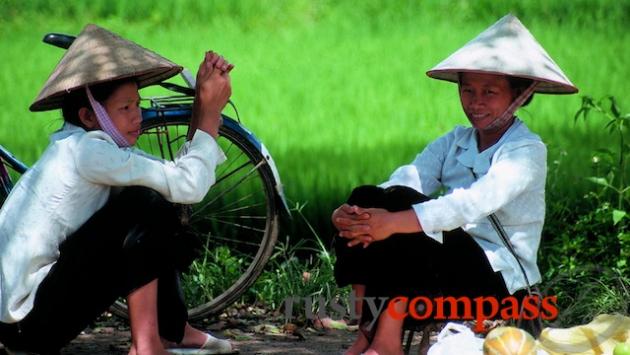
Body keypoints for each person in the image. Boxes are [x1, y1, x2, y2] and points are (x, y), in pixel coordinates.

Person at [332, 14, 578, 355]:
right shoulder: (456, 141)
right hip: (451, 263)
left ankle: (386, 341)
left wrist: (391, 222)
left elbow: (472, 203)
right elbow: (408, 179)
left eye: (490, 92)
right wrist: (360, 216)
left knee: (405, 217)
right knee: (369, 196)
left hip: (498, 281)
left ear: (519, 96)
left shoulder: (525, 150)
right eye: (468, 90)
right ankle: (368, 331)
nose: (475, 102)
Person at [0, 24, 235, 355]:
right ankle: (147, 344)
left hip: (30, 319)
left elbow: (176, 182)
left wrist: (201, 109)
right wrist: (210, 115)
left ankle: (173, 331)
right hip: (31, 327)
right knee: (147, 203)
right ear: (89, 115)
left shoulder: (85, 146)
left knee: (153, 199)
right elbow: (189, 185)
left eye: (137, 105)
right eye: (125, 108)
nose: (137, 117)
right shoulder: (88, 153)